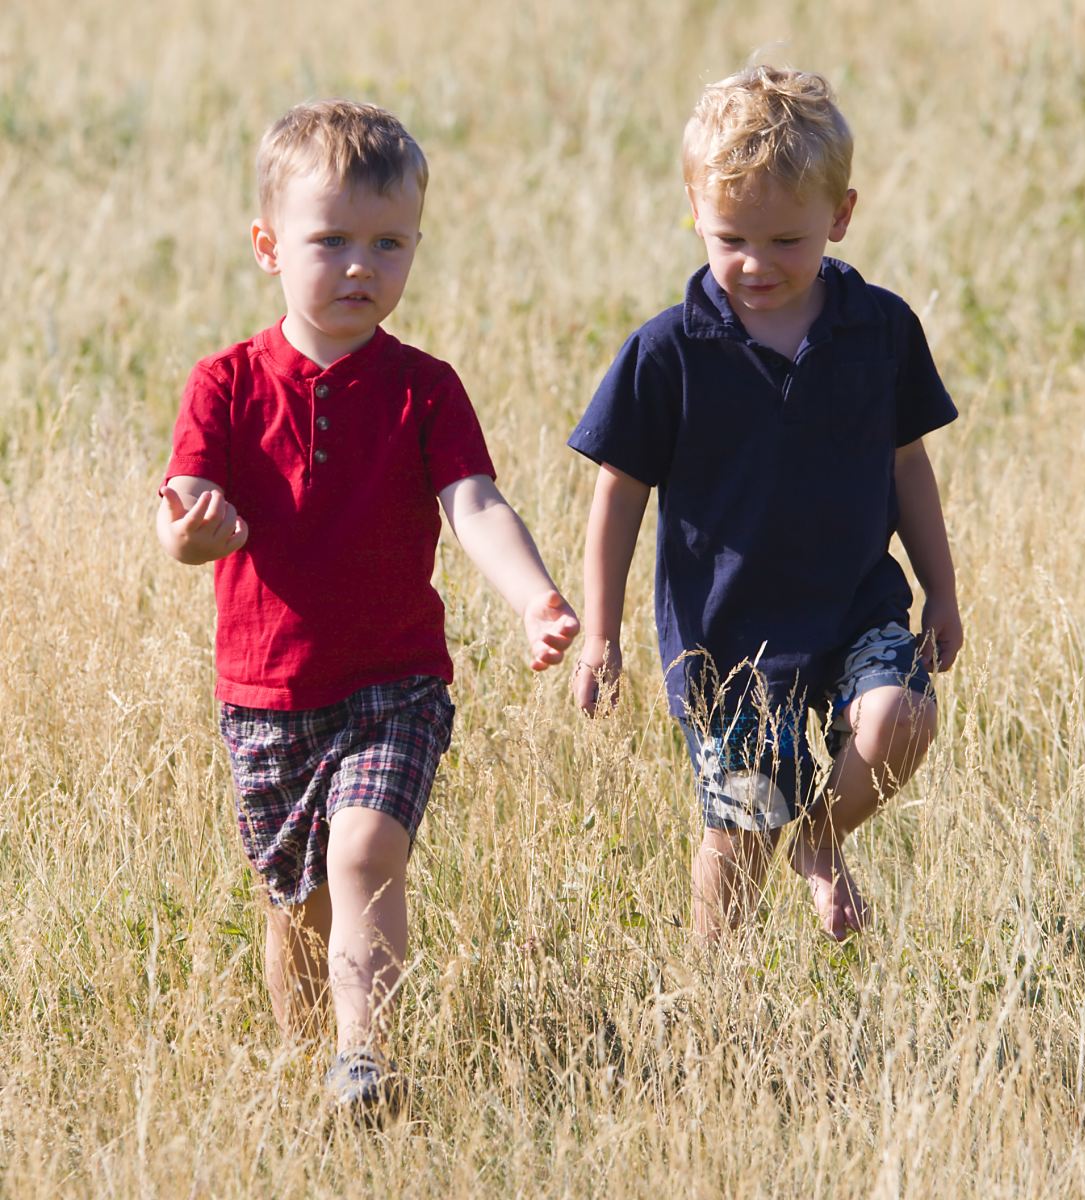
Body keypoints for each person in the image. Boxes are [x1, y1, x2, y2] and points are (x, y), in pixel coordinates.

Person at [156, 100, 579, 1117]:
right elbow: (178, 522)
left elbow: (473, 503)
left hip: (396, 680)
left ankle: (364, 1057)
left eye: (388, 245)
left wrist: (533, 599)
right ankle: (312, 1068)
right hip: (266, 687)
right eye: (331, 241)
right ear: (267, 247)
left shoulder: (424, 390)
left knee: (365, 851)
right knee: (294, 900)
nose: (361, 267)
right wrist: (197, 535)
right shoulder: (222, 385)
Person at [569, 63, 962, 944]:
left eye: (786, 241)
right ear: (695, 213)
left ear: (841, 216)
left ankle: (820, 839)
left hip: (858, 604)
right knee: (740, 829)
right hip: (725, 641)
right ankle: (719, 1003)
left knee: (903, 715)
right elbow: (618, 493)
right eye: (730, 238)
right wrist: (601, 632)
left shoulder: (880, 330)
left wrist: (941, 589)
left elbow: (907, 465)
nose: (756, 264)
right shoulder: (668, 352)